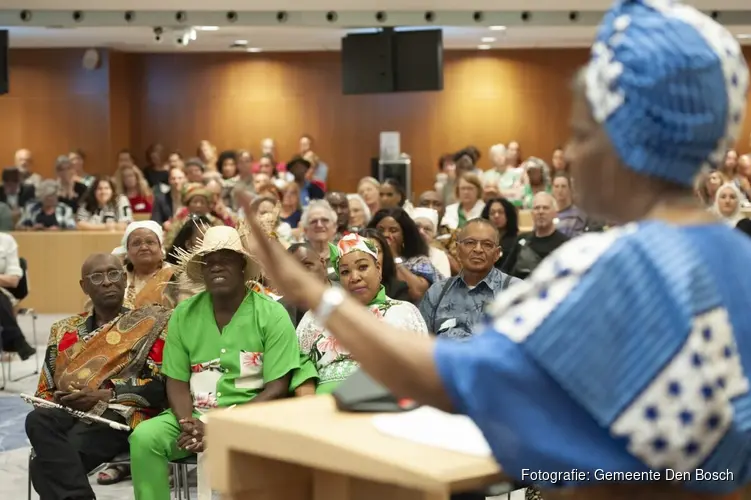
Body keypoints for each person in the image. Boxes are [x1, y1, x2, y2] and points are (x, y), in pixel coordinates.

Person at [240, 2, 751, 498]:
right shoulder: (740, 260)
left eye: (580, 135)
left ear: (627, 142)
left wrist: (312, 292)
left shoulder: (612, 267)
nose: (570, 155)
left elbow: (448, 379)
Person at [129, 226, 306, 500]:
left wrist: (220, 428)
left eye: (225, 258)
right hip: (196, 416)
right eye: (209, 261)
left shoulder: (272, 314)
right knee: (144, 438)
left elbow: (276, 388)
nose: (216, 266)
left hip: (252, 418)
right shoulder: (183, 314)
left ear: (242, 265)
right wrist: (188, 423)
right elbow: (176, 380)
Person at [25, 253, 170, 500]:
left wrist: (106, 394)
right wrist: (59, 399)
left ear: (124, 280)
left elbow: (160, 387)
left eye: (113, 274)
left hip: (120, 414)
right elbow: (45, 387)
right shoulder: (64, 330)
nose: (107, 282)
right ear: (84, 286)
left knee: (44, 466)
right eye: (97, 276)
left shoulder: (150, 324)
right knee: (37, 420)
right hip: (69, 409)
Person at [295, 234, 427, 394]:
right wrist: (308, 402)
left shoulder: (404, 311)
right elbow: (299, 361)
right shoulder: (319, 314)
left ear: (378, 268)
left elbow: (421, 368)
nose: (354, 277)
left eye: (363, 267)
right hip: (325, 405)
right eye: (345, 272)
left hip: (386, 403)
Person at [419, 219, 519, 338]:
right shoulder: (437, 292)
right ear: (458, 249)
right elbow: (422, 343)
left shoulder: (515, 291)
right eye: (470, 242)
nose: (478, 249)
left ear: (497, 253)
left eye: (487, 244)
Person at [0, 232, 35, 359]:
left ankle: (13, 339)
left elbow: (14, 280)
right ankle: (16, 339)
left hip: (6, 294)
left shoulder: (6, 241)